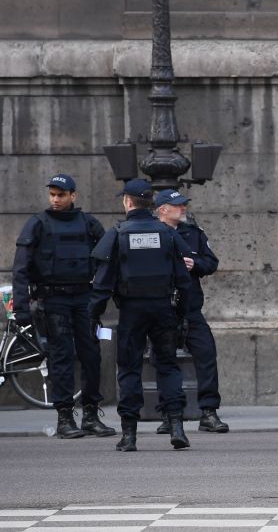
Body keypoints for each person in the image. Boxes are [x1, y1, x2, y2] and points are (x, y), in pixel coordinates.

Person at [88, 179, 193, 451]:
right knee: (168, 366)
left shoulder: (119, 233)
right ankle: (176, 426)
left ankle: (130, 434)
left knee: (129, 369)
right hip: (163, 309)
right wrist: (183, 313)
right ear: (151, 204)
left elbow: (102, 283)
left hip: (132, 310)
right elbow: (183, 278)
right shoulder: (167, 233)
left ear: (128, 202)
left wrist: (93, 315)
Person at [11, 174, 115, 438]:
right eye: (52, 194)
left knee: (91, 356)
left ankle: (91, 415)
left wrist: (101, 297)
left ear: (73, 196)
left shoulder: (88, 223)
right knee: (61, 358)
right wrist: (21, 309)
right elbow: (21, 270)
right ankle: (65, 418)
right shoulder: (37, 224)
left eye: (61, 195)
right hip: (53, 299)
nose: (55, 199)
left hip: (83, 298)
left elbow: (107, 261)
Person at [153, 189, 229, 434]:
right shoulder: (150, 234)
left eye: (184, 204)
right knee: (163, 361)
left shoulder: (194, 234)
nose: (183, 208)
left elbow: (211, 263)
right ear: (163, 209)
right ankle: (169, 415)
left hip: (190, 309)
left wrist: (195, 264)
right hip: (162, 310)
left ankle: (208, 413)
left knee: (206, 356)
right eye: (178, 205)